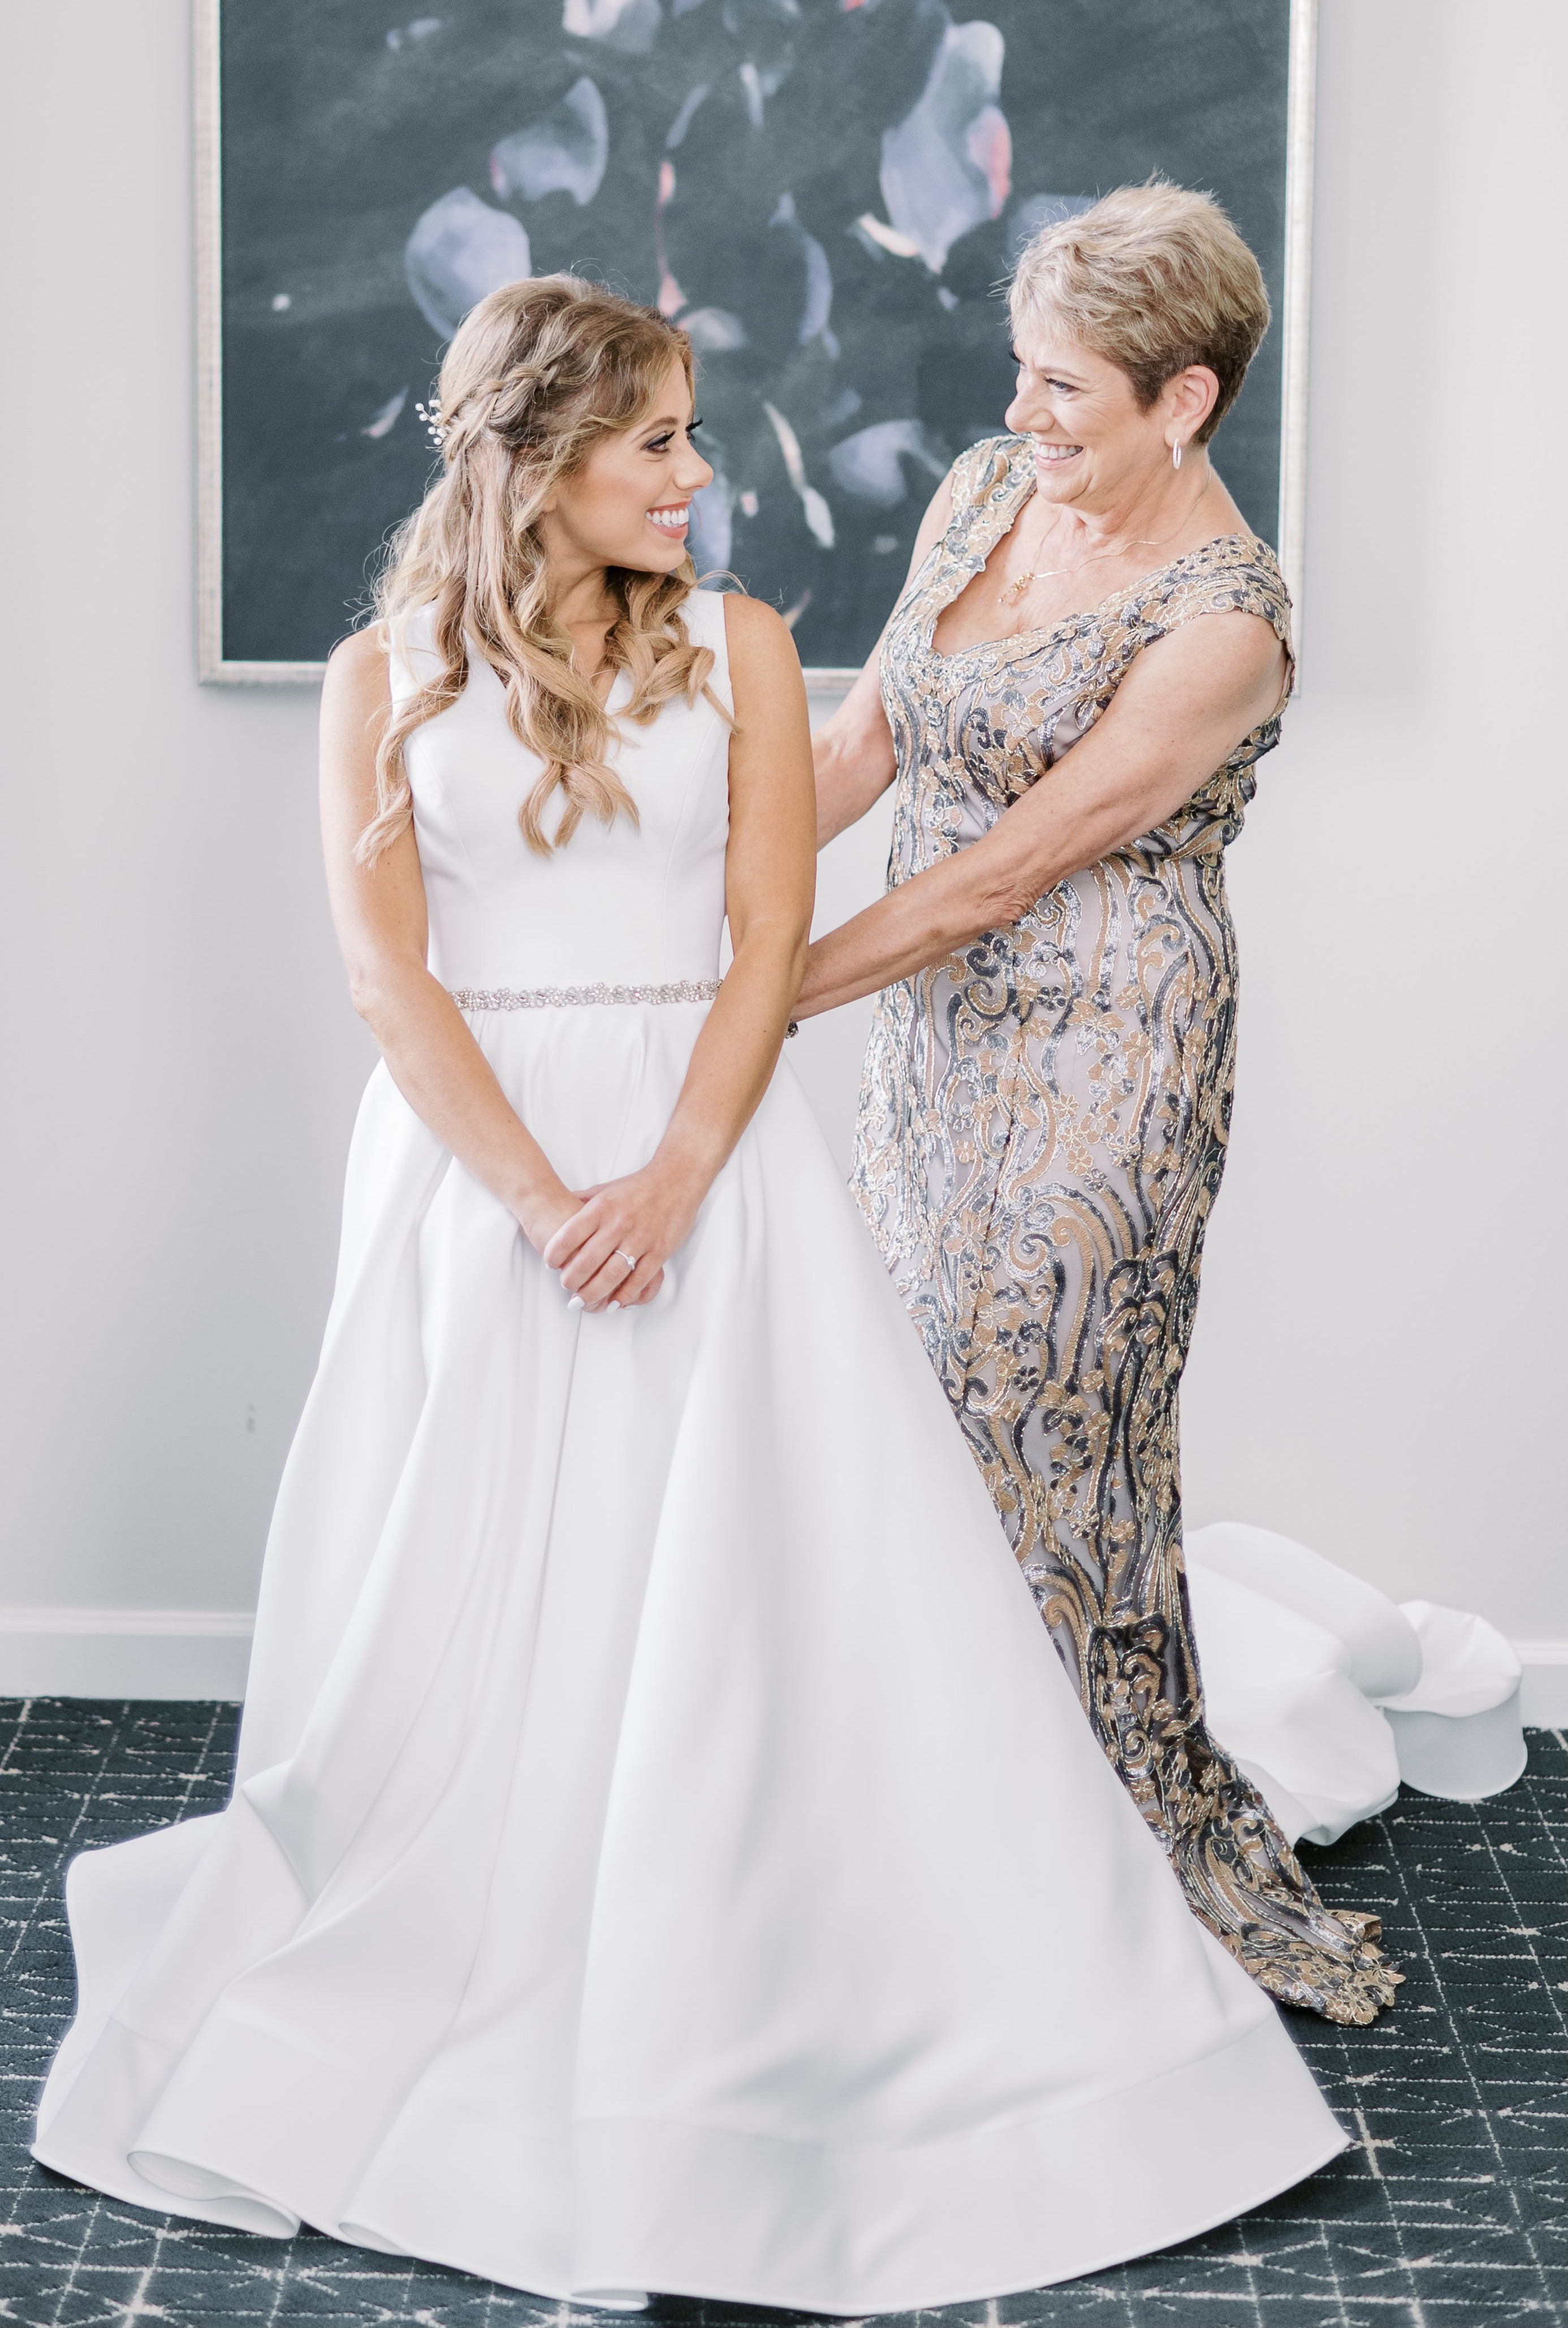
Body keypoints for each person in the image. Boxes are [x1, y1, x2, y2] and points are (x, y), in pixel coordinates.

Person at [34, 275, 1346, 2309]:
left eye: (694, 431)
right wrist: (549, 1193)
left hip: (711, 1164)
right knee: (472, 1580)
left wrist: (670, 1170)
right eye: (656, 438)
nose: (696, 472)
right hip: (480, 1183)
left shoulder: (742, 647)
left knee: (756, 1578)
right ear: (540, 457)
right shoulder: (381, 673)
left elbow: (765, 940)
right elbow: (389, 976)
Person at [804, 183, 1398, 2027]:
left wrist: (754, 1007)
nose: (1019, 413)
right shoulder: (990, 496)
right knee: (915, 1402)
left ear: (1185, 399)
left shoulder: (1230, 621)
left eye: (1065, 387)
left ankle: (1092, 1859)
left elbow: (1016, 870)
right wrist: (692, 915)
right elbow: (862, 742)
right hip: (934, 1048)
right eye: (1018, 371)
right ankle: (924, 1828)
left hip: (1108, 1048)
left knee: (1053, 1437)